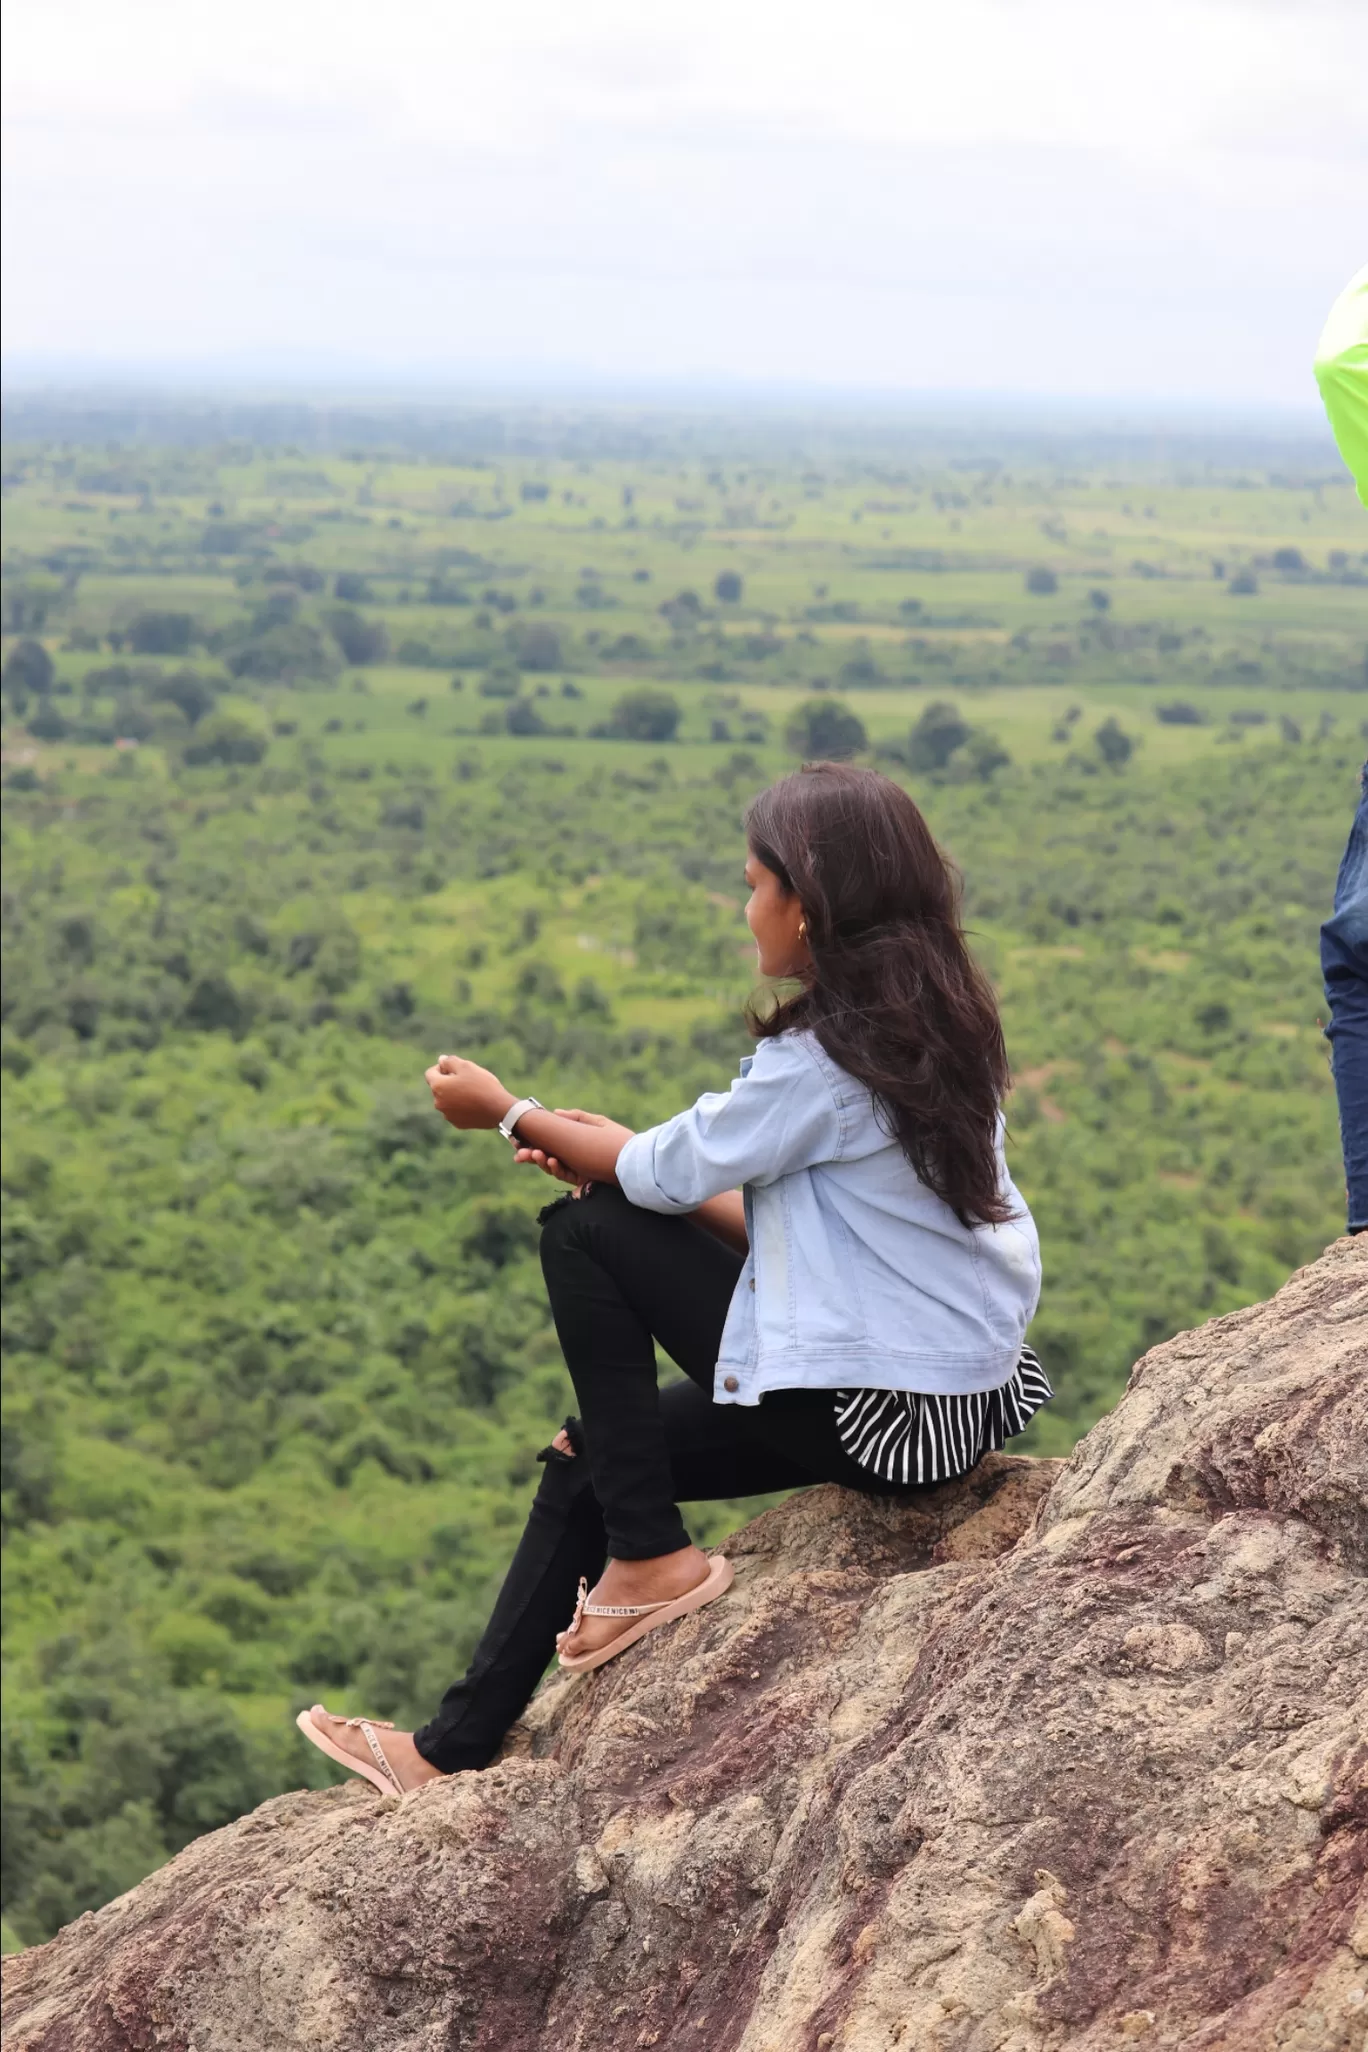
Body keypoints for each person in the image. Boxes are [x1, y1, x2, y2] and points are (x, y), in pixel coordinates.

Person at [297, 763, 1047, 1796]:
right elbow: (823, 1229)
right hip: (953, 1403)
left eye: (755, 886)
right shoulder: (942, 1026)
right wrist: (628, 1156)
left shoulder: (830, 1058)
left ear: (811, 904)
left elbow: (656, 1173)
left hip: (878, 1416)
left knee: (585, 1230)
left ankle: (652, 1560)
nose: (747, 912)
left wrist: (513, 1114)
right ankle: (449, 1750)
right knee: (593, 1455)